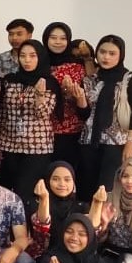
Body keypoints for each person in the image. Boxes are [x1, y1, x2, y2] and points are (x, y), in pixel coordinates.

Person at [72, 34, 132, 195]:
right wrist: (80, 99)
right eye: (102, 52)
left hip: (116, 144)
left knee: (107, 189)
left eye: (112, 53)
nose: (106, 57)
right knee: (86, 189)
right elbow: (84, 115)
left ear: (121, 55)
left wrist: (131, 141)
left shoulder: (128, 78)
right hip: (89, 141)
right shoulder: (91, 78)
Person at [0, 40, 58, 206]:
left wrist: (39, 96)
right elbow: (2, 114)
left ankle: (26, 223)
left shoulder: (48, 82)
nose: (27, 60)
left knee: (25, 194)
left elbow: (43, 114)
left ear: (40, 57)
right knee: (5, 193)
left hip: (37, 148)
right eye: (22, 56)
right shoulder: (10, 80)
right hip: (9, 146)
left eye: (32, 56)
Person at [44, 22, 86, 169]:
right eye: (53, 37)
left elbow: (86, 104)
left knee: (68, 174)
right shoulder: (39, 64)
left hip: (72, 132)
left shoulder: (77, 66)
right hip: (43, 132)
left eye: (63, 38)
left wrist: (72, 94)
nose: (58, 42)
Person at [26, 161, 85, 258]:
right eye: (55, 179)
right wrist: (44, 199)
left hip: (74, 258)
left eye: (67, 180)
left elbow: (91, 237)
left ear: (73, 182)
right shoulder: (34, 203)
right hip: (43, 258)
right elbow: (40, 233)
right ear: (47, 181)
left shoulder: (81, 207)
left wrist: (97, 204)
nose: (62, 184)